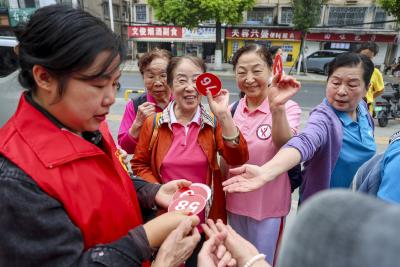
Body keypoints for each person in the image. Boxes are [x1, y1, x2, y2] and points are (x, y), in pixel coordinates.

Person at [0, 5, 201, 266]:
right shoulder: (15, 180)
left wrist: (151, 192)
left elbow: (105, 179)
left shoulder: (88, 123)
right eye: (97, 85)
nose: (109, 99)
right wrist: (147, 243)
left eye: (115, 83)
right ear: (44, 77)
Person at [131, 55, 249, 266]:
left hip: (207, 219)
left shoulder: (213, 122)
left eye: (196, 79)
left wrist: (224, 115)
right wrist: (160, 191)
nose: (189, 87)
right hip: (167, 217)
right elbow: (139, 164)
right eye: (181, 80)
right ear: (170, 85)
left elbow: (238, 157)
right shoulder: (154, 123)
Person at [223, 52, 376, 204]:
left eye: (352, 85)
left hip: (359, 202)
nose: (341, 91)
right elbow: (303, 142)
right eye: (335, 83)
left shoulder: (362, 109)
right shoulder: (324, 118)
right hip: (324, 208)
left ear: (366, 88)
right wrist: (265, 172)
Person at [222, 44, 301, 265]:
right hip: (235, 203)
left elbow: (285, 143)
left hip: (268, 207)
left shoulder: (288, 107)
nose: (249, 78)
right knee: (238, 260)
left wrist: (277, 107)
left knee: (262, 261)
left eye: (256, 71)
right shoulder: (232, 109)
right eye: (241, 72)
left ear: (270, 71)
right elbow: (225, 159)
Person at [118, 48, 173, 154]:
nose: (157, 82)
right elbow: (125, 148)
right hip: (145, 169)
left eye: (163, 75)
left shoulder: (183, 103)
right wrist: (138, 123)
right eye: (151, 76)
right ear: (143, 77)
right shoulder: (135, 106)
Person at [357, 42, 384, 115]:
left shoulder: (376, 72)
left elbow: (380, 90)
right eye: (363, 55)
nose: (365, 59)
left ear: (373, 57)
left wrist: (370, 97)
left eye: (369, 58)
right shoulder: (351, 68)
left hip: (367, 108)